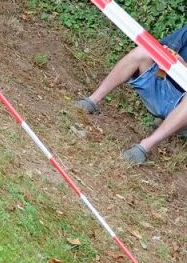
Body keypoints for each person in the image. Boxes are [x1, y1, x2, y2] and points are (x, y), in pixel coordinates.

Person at [76, 23, 187, 165]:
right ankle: (92, 101)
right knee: (143, 51)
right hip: (161, 84)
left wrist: (183, 67)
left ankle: (144, 147)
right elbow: (162, 48)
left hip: (182, 107)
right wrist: (167, 54)